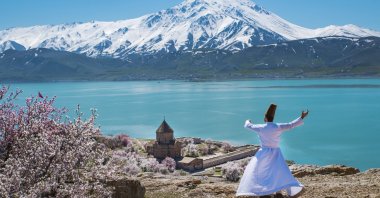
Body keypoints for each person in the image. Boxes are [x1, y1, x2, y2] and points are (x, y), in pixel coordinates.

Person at [236, 104, 309, 197]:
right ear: (272, 118)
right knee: (278, 172)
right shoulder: (277, 126)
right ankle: (278, 191)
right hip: (276, 153)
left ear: (265, 118)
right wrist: (302, 117)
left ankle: (263, 191)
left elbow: (248, 125)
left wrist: (248, 120)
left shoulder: (261, 127)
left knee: (260, 172)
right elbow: (291, 125)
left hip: (263, 153)